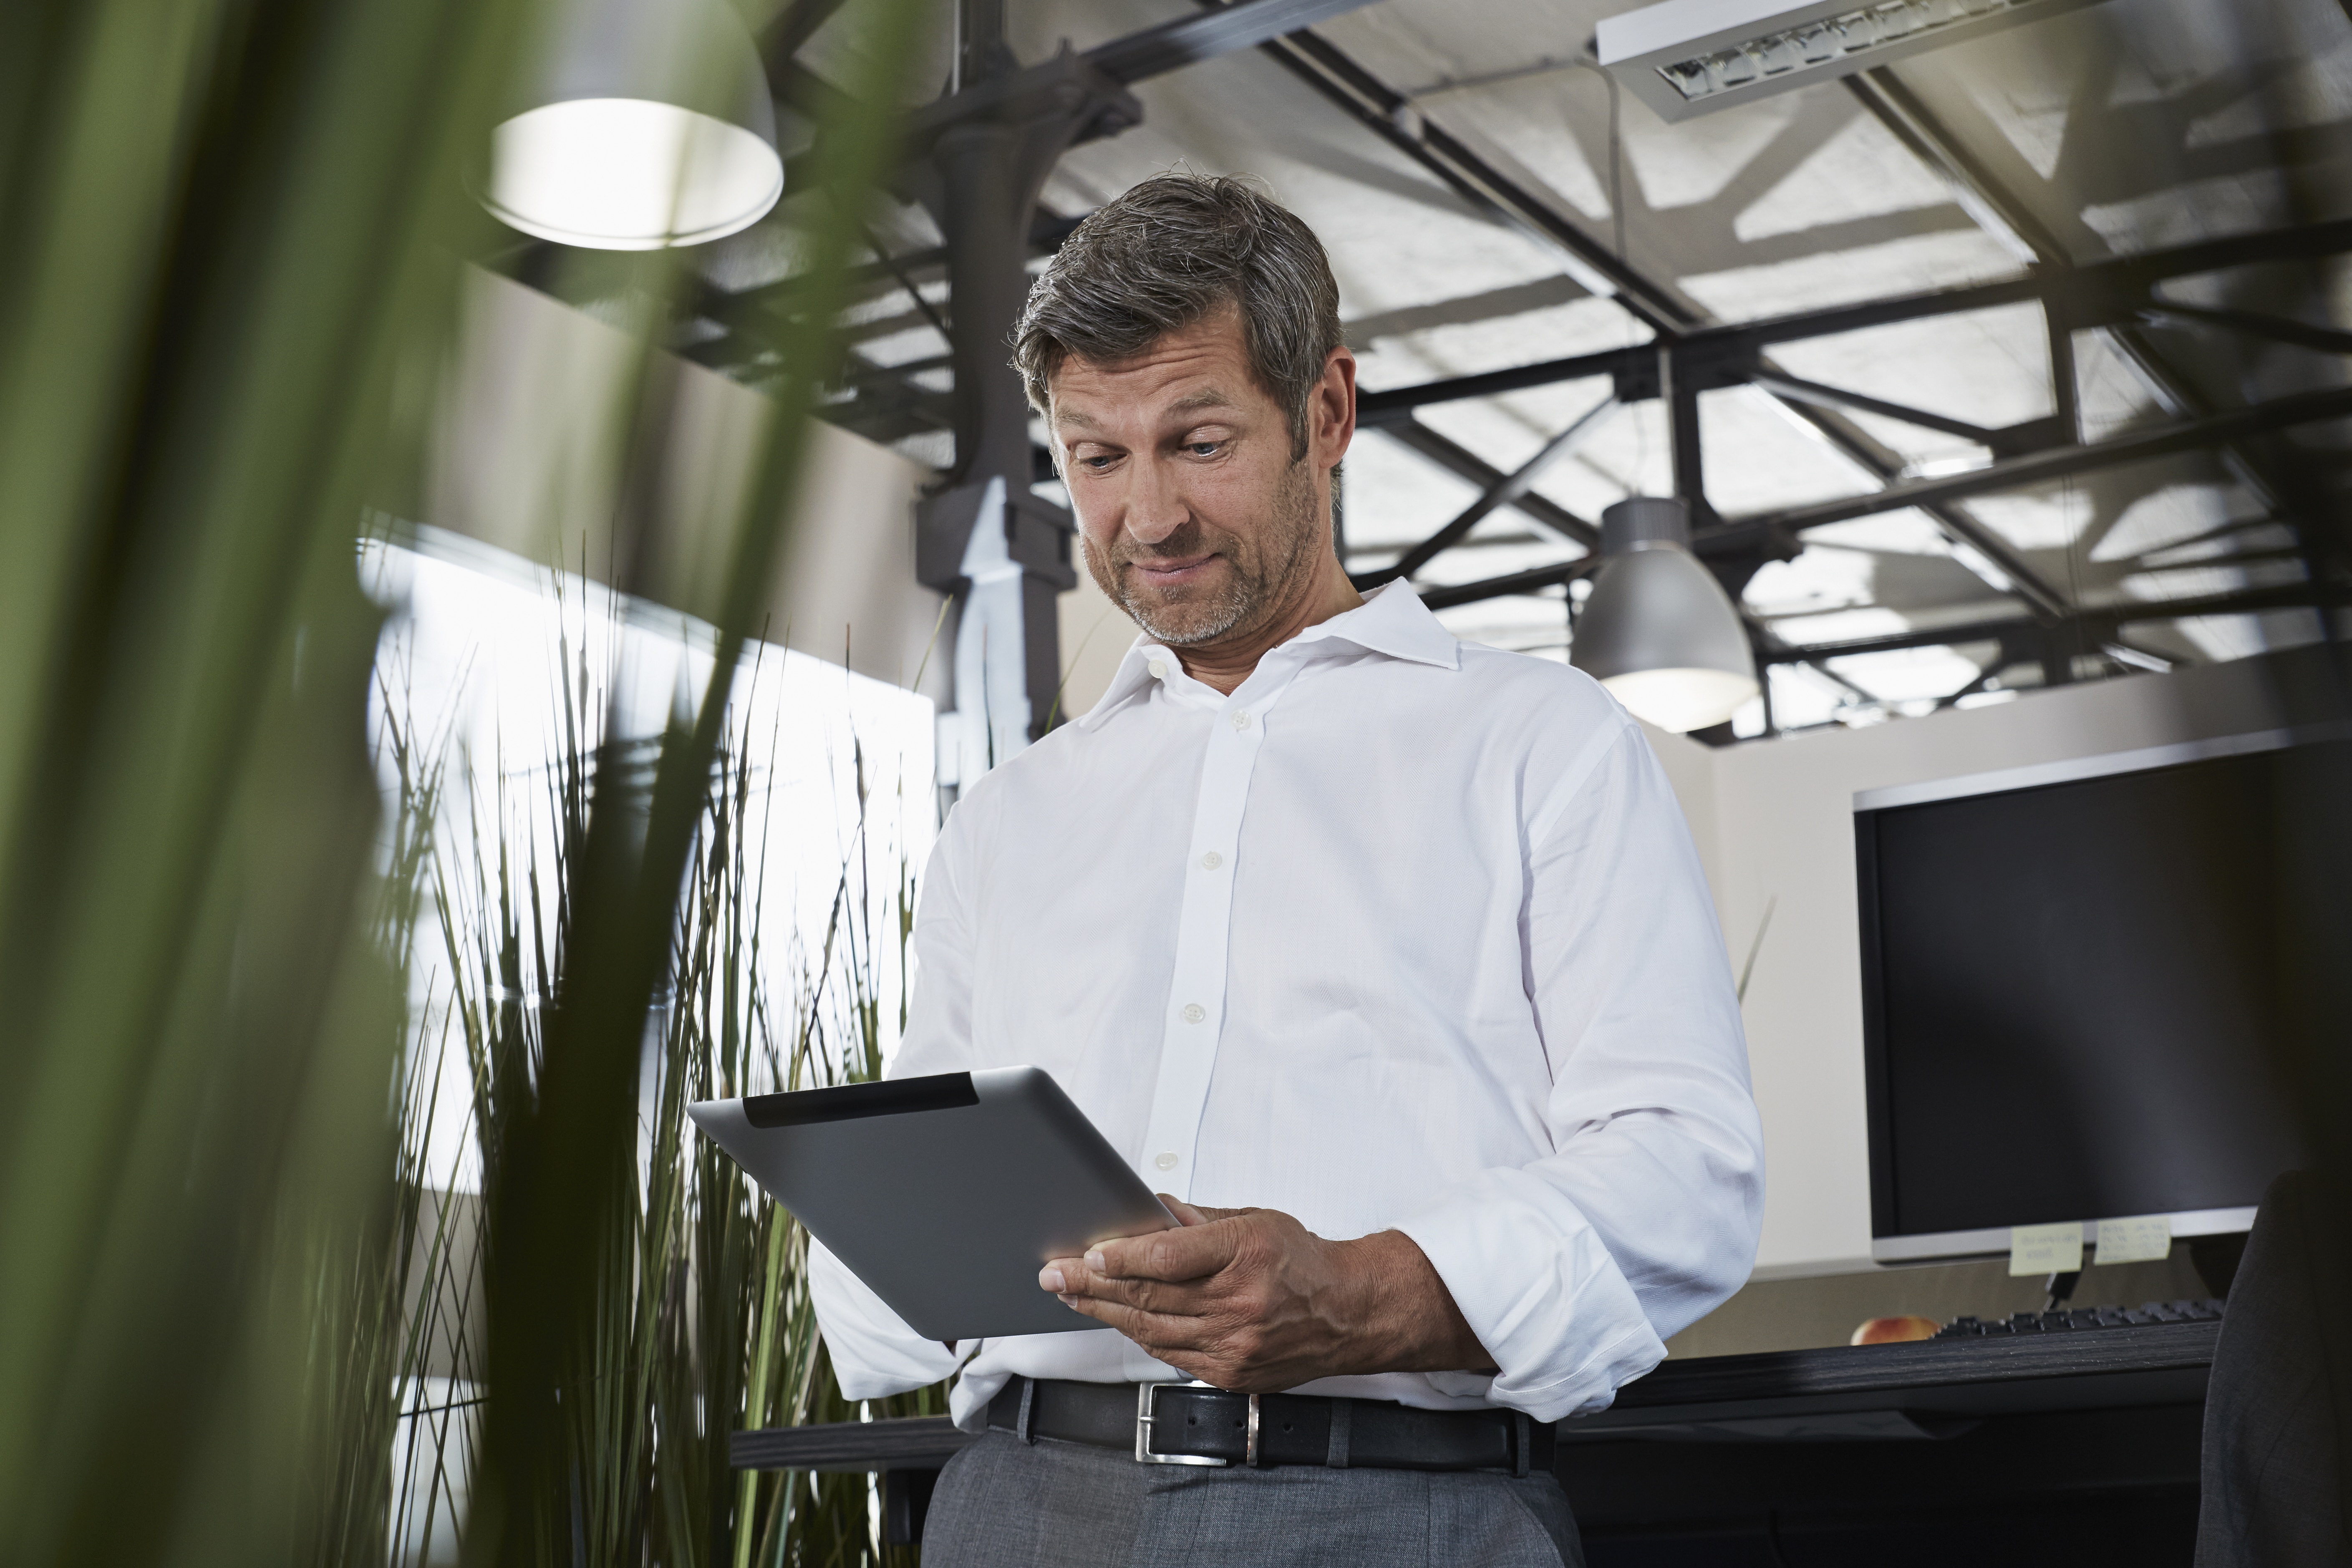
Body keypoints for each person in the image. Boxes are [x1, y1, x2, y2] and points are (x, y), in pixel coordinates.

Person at [808, 171, 1765, 1568]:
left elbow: (1690, 1175)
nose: (1147, 516)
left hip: (1403, 1512)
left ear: (1327, 413)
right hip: (1014, 1509)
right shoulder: (1008, 820)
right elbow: (902, 1251)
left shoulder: (1536, 743)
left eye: (1199, 442)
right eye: (1096, 456)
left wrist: (1367, 1290)